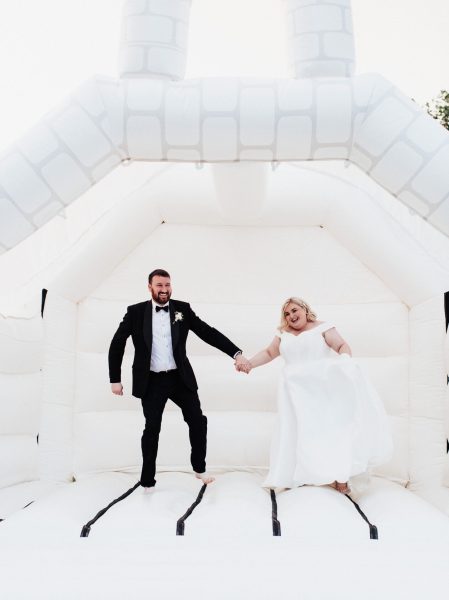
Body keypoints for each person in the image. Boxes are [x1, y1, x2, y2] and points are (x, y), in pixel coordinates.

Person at [109, 268, 250, 492]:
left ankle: (199, 468)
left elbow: (207, 332)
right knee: (152, 428)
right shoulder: (135, 312)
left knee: (197, 420)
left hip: (179, 378)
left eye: (167, 285)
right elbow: (117, 343)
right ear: (150, 288)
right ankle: (147, 480)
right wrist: (114, 379)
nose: (164, 290)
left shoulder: (181, 309)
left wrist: (236, 353)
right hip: (151, 380)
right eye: (159, 286)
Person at [236, 297, 393, 494]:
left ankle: (340, 477)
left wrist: (345, 363)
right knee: (298, 431)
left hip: (321, 388)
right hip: (293, 391)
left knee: (329, 431)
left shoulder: (323, 328)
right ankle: (301, 475)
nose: (291, 316)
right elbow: (269, 352)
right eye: (287, 314)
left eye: (294, 310)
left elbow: (342, 346)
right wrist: (249, 363)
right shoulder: (283, 333)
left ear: (304, 309)